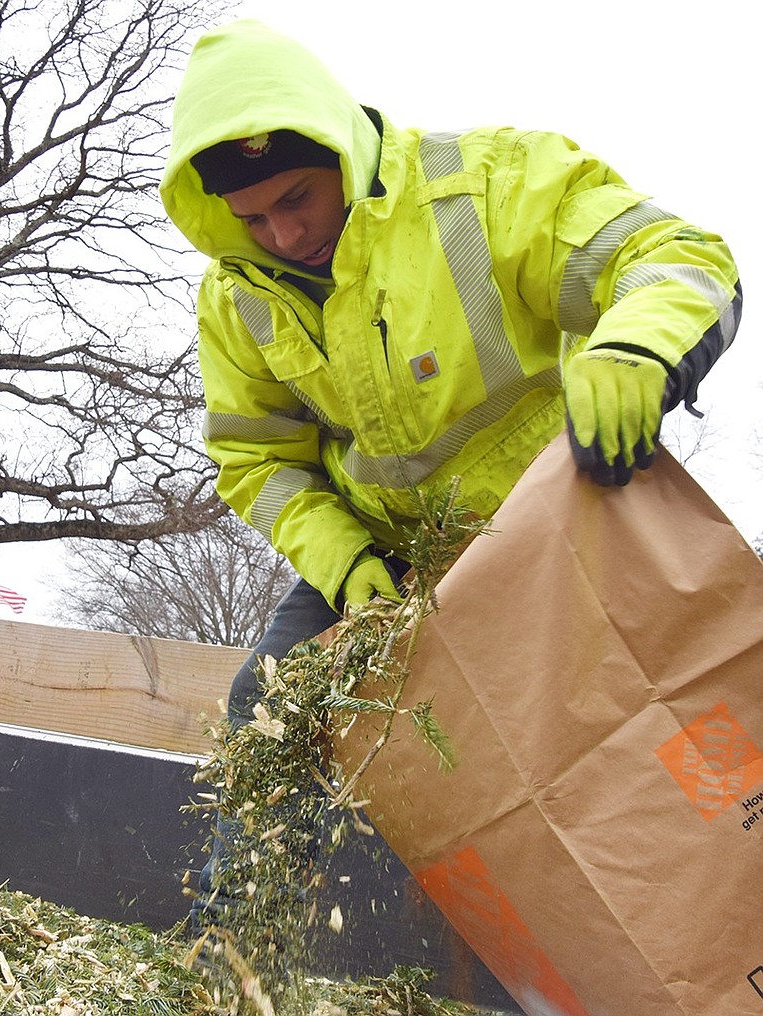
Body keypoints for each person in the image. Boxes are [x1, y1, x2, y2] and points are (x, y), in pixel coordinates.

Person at [159, 19, 742, 936]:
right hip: (389, 570)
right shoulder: (238, 296)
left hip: (561, 536)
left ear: (341, 147)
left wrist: (637, 348)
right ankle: (236, 953)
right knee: (272, 704)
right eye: (254, 217)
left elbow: (676, 258)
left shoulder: (486, 186)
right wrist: (343, 556)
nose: (284, 231)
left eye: (299, 198)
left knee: (665, 736)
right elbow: (255, 459)